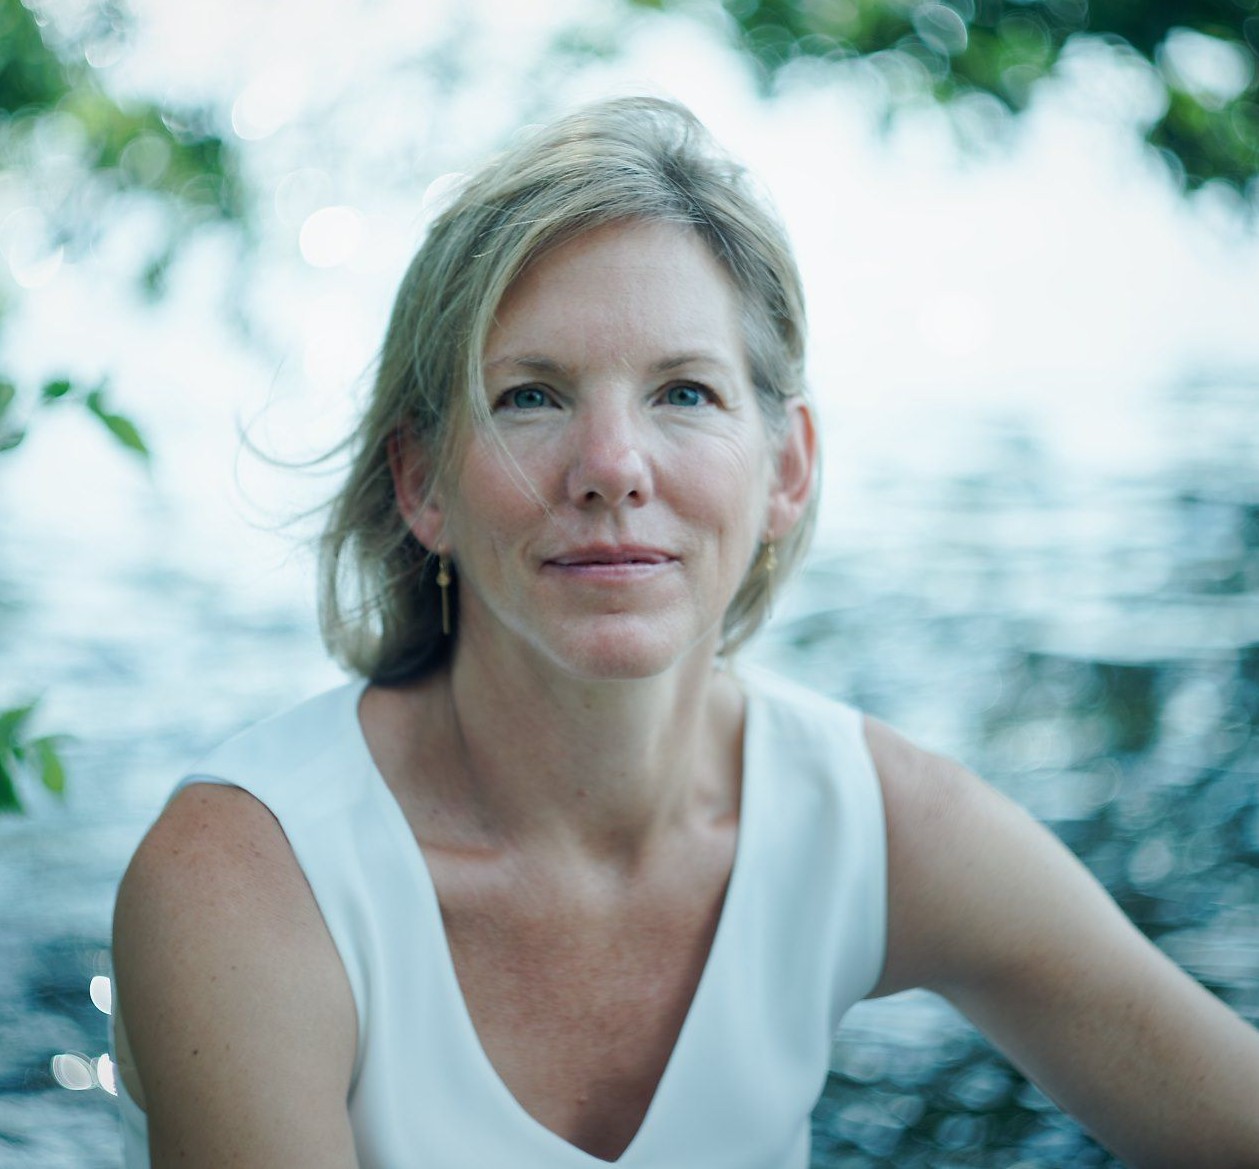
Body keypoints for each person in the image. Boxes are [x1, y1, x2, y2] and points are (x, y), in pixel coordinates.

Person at [110, 96, 1259, 1169]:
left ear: (786, 468)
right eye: (530, 395)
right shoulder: (249, 878)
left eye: (685, 392)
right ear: (421, 484)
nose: (612, 466)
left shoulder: (872, 820)